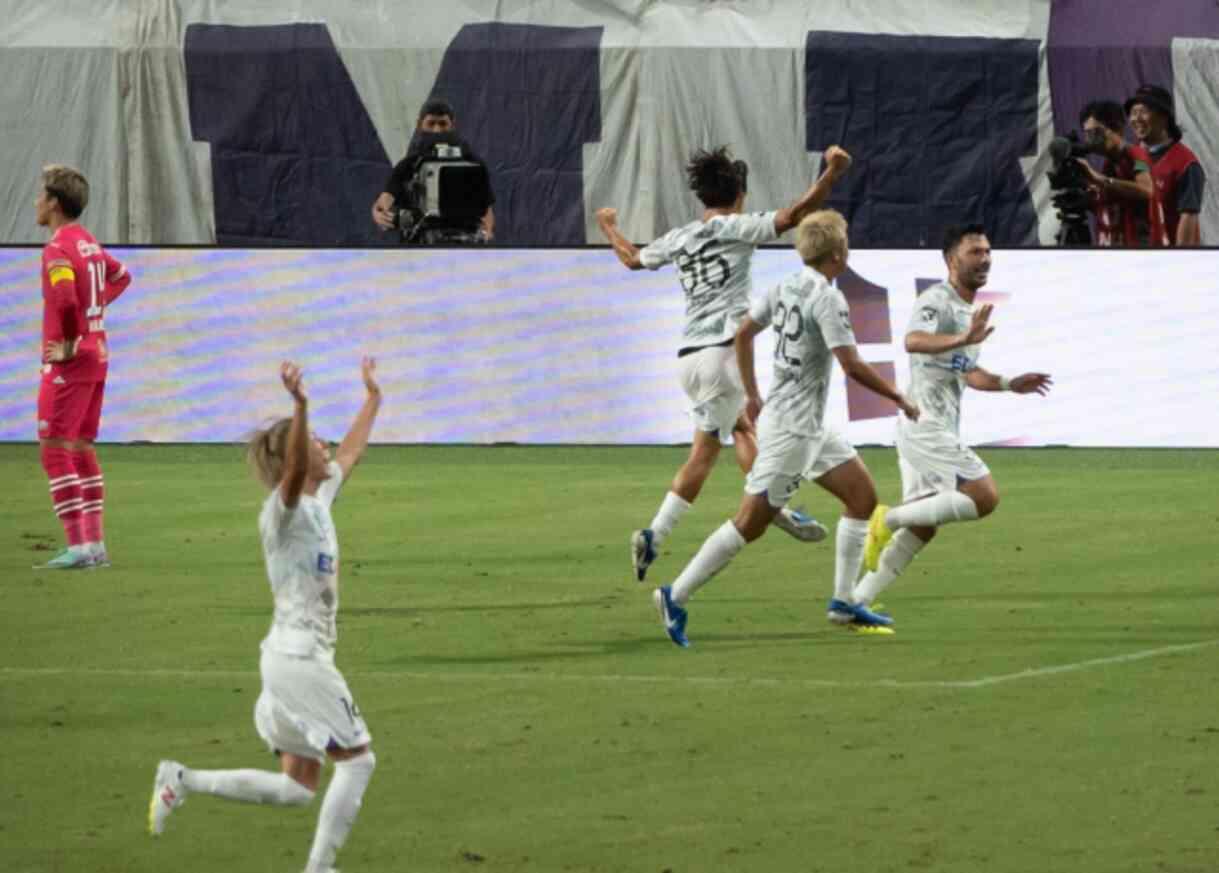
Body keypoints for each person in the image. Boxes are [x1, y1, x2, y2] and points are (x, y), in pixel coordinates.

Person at [148, 358, 383, 873]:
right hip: (300, 660)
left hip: (284, 659)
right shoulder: (281, 513)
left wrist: (373, 398)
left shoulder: (320, 498)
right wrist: (299, 406)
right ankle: (319, 869)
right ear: (292, 458)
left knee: (298, 789)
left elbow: (350, 452)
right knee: (358, 760)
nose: (323, 447)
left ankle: (181, 779)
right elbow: (299, 467)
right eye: (312, 440)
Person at [651, 209, 920, 648]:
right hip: (791, 431)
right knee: (749, 524)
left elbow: (743, 334)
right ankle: (674, 594)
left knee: (862, 496)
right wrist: (899, 398)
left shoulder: (783, 286)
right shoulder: (827, 299)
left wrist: (754, 394)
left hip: (807, 424)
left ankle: (843, 600)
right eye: (845, 241)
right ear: (837, 254)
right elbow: (851, 365)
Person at [596, 145, 854, 584]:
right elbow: (793, 216)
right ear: (739, 196)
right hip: (724, 352)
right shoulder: (737, 227)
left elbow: (632, 259)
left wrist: (609, 226)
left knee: (740, 428)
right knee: (706, 452)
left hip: (689, 359)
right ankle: (657, 533)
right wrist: (831, 173)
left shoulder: (679, 237)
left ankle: (774, 506)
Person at [853, 225, 1052, 610]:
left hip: (933, 425)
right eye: (975, 252)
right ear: (951, 260)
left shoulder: (969, 314)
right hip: (923, 422)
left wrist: (1012, 382)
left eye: (988, 251)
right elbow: (913, 340)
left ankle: (855, 601)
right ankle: (886, 518)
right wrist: (963, 338)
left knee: (924, 525)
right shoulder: (937, 300)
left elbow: (969, 373)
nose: (985, 258)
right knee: (984, 496)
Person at [33, 164, 131, 570]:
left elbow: (67, 300)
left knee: (55, 450)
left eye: (41, 196)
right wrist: (95, 316)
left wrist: (71, 342)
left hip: (71, 363)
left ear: (54, 203)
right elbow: (122, 276)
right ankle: (95, 545)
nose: (37, 203)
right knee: (81, 448)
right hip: (99, 354)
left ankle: (78, 547)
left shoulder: (58, 249)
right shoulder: (88, 242)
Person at [371, 99, 495, 241]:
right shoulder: (408, 165)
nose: (437, 130)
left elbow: (486, 210)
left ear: (452, 125)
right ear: (420, 125)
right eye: (431, 124)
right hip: (421, 243)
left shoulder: (473, 164)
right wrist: (379, 213)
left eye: (443, 124)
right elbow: (385, 201)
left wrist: (486, 233)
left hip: (465, 240)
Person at [1125, 85, 1205, 247]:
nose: (1136, 119)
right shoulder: (1128, 158)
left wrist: (1179, 263)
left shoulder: (1185, 164)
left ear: (1163, 116)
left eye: (1143, 112)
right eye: (1133, 113)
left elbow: (1188, 217)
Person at [1075, 100, 1150, 246]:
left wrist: (1101, 180)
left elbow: (1146, 190)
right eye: (1087, 134)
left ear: (1117, 129)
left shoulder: (1136, 154)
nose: (1090, 140)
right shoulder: (1110, 163)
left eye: (1096, 132)